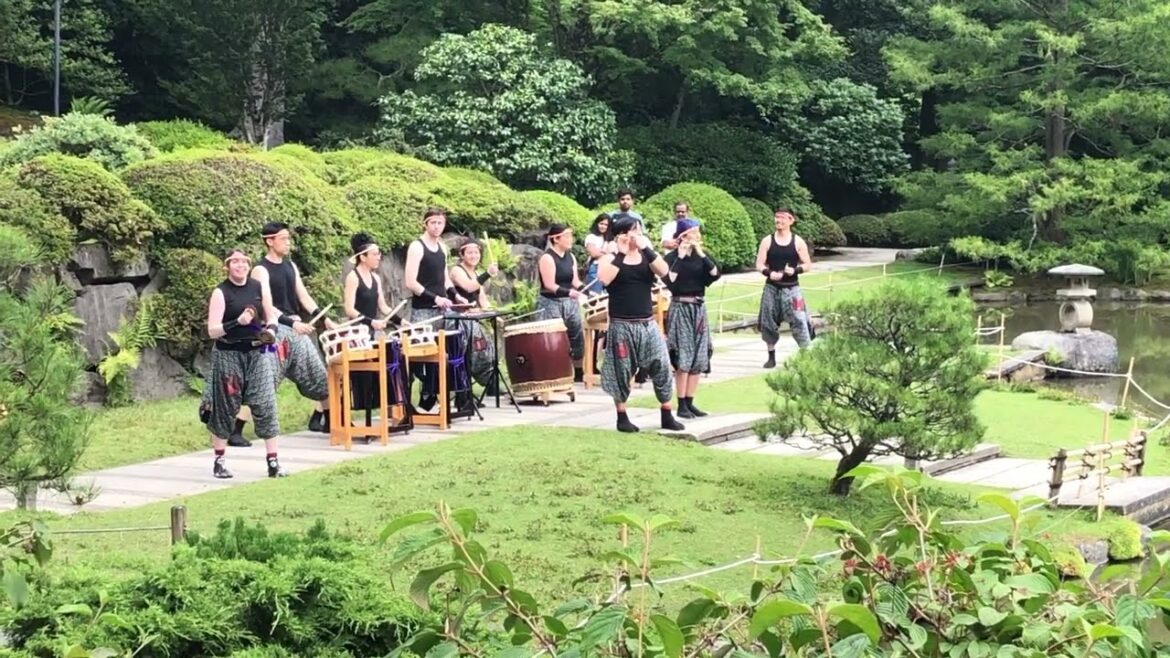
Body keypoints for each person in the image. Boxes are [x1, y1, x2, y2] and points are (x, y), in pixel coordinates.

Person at [228, 223, 335, 447]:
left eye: (288, 238)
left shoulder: (290, 266)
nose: (288, 242)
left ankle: (329, 420)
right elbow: (266, 305)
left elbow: (304, 297)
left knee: (318, 374)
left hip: (295, 331)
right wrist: (290, 322)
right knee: (263, 380)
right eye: (283, 238)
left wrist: (325, 319)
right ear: (270, 241)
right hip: (273, 331)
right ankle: (235, 430)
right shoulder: (260, 270)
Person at [199, 248, 287, 479]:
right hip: (229, 354)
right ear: (227, 266)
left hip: (257, 354)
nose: (240, 266)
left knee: (266, 402)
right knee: (226, 406)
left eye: (244, 262)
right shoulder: (221, 292)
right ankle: (219, 460)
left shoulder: (257, 287)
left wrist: (271, 330)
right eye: (235, 262)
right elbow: (212, 330)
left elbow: (271, 315)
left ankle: (273, 462)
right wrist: (236, 322)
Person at [596, 216, 685, 433]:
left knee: (662, 364)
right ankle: (621, 416)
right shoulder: (609, 258)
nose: (634, 235)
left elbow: (664, 272)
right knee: (622, 370)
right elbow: (605, 280)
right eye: (629, 231)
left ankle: (666, 412)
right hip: (621, 324)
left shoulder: (646, 255)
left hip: (646, 322)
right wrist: (622, 253)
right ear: (619, 235)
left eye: (637, 230)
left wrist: (646, 248)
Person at [403, 208, 471, 413]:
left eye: (440, 223)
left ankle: (441, 395)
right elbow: (410, 282)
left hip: (443, 309)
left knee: (450, 348)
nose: (437, 227)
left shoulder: (442, 247)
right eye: (432, 222)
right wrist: (435, 298)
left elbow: (444, 277)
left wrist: (454, 295)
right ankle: (409, 401)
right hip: (424, 310)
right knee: (418, 357)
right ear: (425, 224)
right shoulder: (417, 246)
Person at [342, 232, 408, 432]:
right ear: (362, 257)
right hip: (356, 332)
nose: (379, 257)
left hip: (370, 331)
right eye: (375, 254)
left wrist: (399, 320)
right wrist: (372, 322)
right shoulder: (353, 277)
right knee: (354, 375)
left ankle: (393, 412)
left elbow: (384, 307)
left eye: (379, 254)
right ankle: (339, 415)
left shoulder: (376, 278)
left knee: (390, 361)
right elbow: (350, 309)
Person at [663, 220, 720, 418]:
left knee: (699, 354)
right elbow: (669, 280)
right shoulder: (671, 258)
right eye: (692, 233)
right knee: (683, 353)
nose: (696, 236)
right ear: (682, 236)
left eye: (697, 233)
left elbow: (715, 274)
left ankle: (690, 400)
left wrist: (702, 254)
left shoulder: (700, 257)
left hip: (698, 307)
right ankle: (680, 403)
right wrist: (679, 256)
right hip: (680, 306)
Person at [755, 208, 814, 368]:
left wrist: (795, 270)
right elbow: (759, 264)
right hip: (772, 288)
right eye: (776, 218)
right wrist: (768, 272)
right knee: (768, 321)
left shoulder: (798, 242)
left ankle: (806, 354)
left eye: (782, 218)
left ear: (791, 220)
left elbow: (808, 265)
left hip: (792, 288)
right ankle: (771, 355)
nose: (778, 221)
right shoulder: (767, 241)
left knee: (799, 319)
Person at [536, 223, 586, 379]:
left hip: (570, 302)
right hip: (551, 302)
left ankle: (578, 370)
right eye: (567, 236)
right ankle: (554, 371)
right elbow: (550, 285)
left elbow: (575, 281)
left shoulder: (571, 256)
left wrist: (587, 290)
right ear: (556, 239)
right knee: (553, 338)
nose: (571, 239)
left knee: (576, 334)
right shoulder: (547, 257)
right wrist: (570, 292)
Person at [449, 240, 500, 393]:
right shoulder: (456, 271)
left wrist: (492, 314)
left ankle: (490, 383)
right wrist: (488, 274)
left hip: (472, 320)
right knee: (472, 351)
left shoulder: (477, 273)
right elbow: (469, 286)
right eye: (469, 253)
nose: (473, 256)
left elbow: (481, 298)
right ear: (462, 255)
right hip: (458, 321)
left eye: (476, 252)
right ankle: (465, 392)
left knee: (485, 349)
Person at [582, 214, 611, 295]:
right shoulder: (591, 237)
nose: (603, 226)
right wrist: (606, 252)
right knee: (594, 297)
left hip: (607, 270)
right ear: (597, 224)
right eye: (601, 224)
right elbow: (593, 253)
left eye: (606, 225)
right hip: (595, 269)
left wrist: (601, 251)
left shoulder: (608, 239)